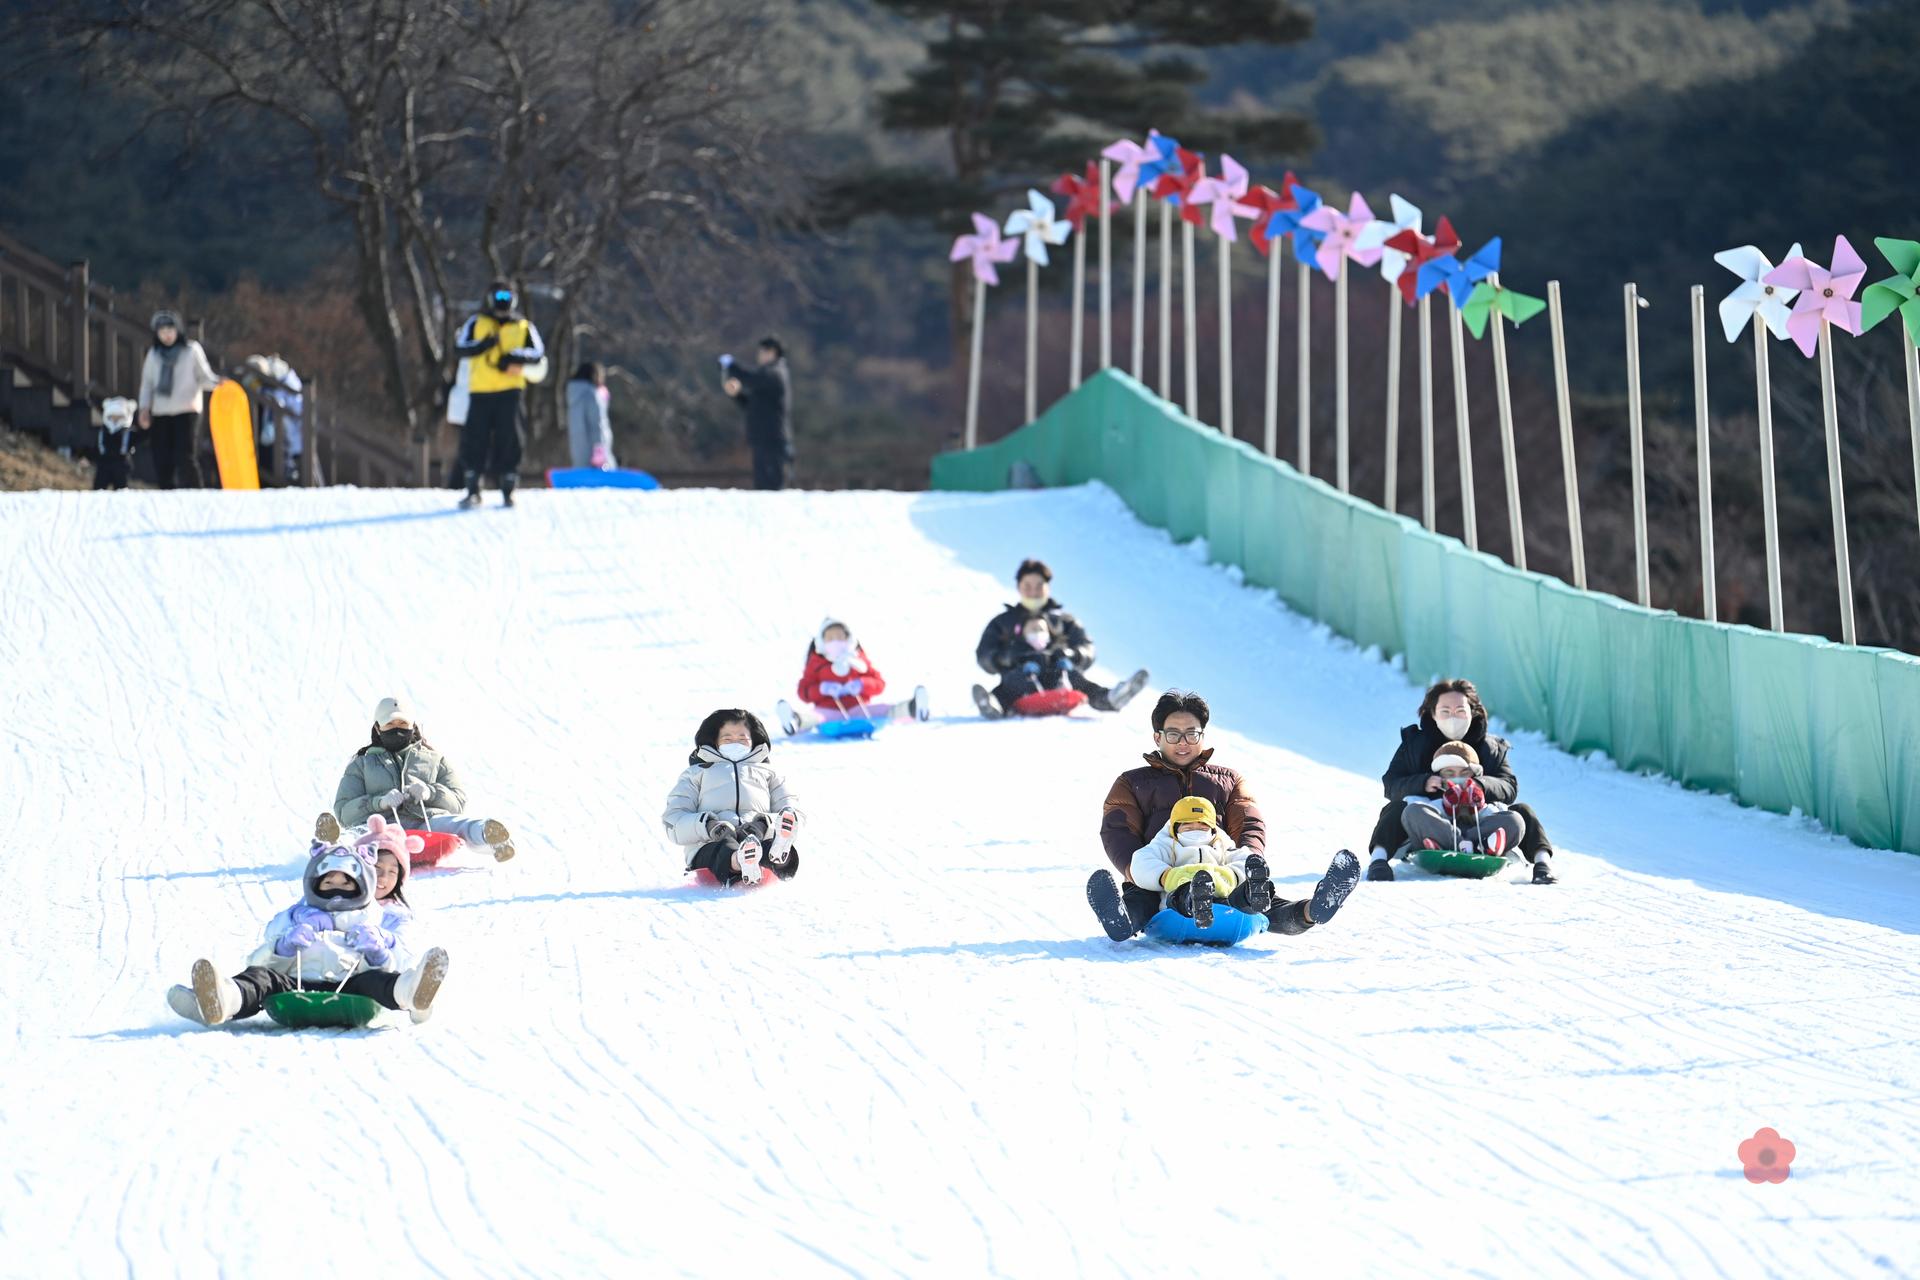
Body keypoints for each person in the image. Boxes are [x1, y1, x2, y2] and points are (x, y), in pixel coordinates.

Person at [1088, 691, 1360, 940]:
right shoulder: (1132, 782)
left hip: (1220, 874)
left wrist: (1249, 862)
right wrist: (1141, 872)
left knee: (1262, 900)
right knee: (1142, 904)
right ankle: (1121, 920)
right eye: (1173, 734)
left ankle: (1314, 909)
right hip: (1158, 876)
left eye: (1191, 734)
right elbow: (1118, 832)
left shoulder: (1227, 780)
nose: (1183, 743)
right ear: (1157, 737)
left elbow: (1249, 823)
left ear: (1203, 735)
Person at [164, 838, 450, 1027]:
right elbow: (263, 950)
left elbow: (394, 959)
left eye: (346, 883)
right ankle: (222, 999)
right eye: (328, 883)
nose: (337, 889)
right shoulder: (298, 914)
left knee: (379, 980)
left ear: (361, 887)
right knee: (261, 979)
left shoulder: (372, 919)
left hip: (353, 987)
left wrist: (378, 951)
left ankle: (413, 994)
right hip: (295, 984)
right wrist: (284, 945)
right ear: (314, 885)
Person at [1363, 677, 1559, 884]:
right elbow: (1392, 784)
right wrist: (1424, 783)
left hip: (1480, 819)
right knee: (1398, 808)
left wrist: (1480, 785)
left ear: (1472, 712)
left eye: (1460, 711)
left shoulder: (1490, 748)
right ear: (1433, 713)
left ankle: (1542, 864)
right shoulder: (1415, 745)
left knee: (1521, 813)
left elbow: (1509, 786)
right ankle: (1379, 861)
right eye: (1445, 711)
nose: (1453, 717)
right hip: (1433, 821)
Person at [325, 697, 516, 862]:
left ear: (412, 725)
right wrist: (379, 802)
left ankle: (490, 836)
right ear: (377, 727)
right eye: (390, 724)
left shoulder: (434, 759)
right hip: (382, 825)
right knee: (360, 833)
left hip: (427, 824)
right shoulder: (362, 765)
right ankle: (332, 847)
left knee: (458, 824)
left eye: (402, 724)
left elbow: (458, 802)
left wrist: (430, 792)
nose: (396, 729)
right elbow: (344, 812)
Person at [971, 558, 1146, 718]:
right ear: (1019, 587)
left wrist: (1073, 654)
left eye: (1039, 586)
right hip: (1021, 679)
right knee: (1010, 685)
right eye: (1027, 586)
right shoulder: (1003, 622)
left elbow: (1087, 646)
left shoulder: (1064, 621)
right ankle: (993, 705)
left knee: (1077, 679)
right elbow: (984, 653)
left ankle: (1109, 698)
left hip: (1060, 677)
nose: (1033, 591)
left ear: (1048, 587)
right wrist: (1005, 657)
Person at [662, 709, 802, 886]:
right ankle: (740, 859)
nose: (735, 743)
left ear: (754, 741)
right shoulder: (696, 774)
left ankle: (778, 854)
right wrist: (707, 826)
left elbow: (791, 813)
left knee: (767, 843)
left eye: (743, 739)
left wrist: (763, 825)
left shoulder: (769, 774)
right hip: (711, 842)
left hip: (757, 837)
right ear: (714, 741)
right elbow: (673, 819)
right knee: (723, 847)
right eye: (727, 739)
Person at [452, 281, 545, 508]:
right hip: (481, 391)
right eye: (498, 296)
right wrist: (483, 346)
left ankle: (508, 487)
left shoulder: (523, 326)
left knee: (510, 440)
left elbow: (538, 353)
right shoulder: (476, 322)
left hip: (510, 393)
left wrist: (513, 357)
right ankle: (473, 488)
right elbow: (460, 348)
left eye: (506, 296)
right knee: (475, 441)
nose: (502, 301)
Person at [775, 617, 929, 735]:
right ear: (822, 642)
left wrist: (862, 684)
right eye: (830, 637)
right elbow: (804, 691)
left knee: (883, 710)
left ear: (848, 638)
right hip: (829, 710)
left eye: (839, 636)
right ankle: (794, 721)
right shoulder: (816, 663)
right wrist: (822, 689)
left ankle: (913, 708)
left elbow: (879, 683)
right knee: (815, 717)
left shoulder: (857, 659)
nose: (835, 641)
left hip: (859, 709)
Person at [135, 309, 222, 489]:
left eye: (170, 330)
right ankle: (167, 491)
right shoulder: (154, 354)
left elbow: (204, 377)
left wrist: (219, 384)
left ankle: (195, 491)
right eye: (162, 331)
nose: (166, 335)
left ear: (178, 330)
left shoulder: (191, 351)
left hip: (187, 411)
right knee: (162, 456)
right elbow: (147, 384)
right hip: (161, 412)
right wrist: (144, 408)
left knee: (185, 456)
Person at [1397, 741, 1526, 857]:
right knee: (1412, 811)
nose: (1457, 778)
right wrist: (1445, 806)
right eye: (1449, 773)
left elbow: (1499, 814)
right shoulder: (1433, 797)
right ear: (1439, 777)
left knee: (1515, 820)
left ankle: (1480, 846)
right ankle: (1454, 845)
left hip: (1479, 836)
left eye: (1465, 773)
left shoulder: (1481, 793)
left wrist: (1480, 807)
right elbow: (1419, 813)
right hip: (1444, 835)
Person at [722, 337, 793, 491]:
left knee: (773, 487)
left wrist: (732, 366)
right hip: (762, 438)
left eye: (762, 351)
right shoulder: (766, 376)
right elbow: (751, 406)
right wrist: (737, 394)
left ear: (772, 353)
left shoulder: (775, 373)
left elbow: (750, 378)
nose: (759, 355)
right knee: (762, 486)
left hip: (773, 438)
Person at [239, 354, 304, 483]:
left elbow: (287, 403)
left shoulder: (281, 386)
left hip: (287, 434)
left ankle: (285, 478)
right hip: (285, 435)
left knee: (283, 457)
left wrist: (260, 390)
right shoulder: (279, 384)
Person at [566, 361, 615, 470]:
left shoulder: (574, 395)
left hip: (578, 450)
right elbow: (597, 424)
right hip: (596, 454)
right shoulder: (592, 395)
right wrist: (600, 449)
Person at [93, 396, 137, 490]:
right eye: (113, 417)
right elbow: (95, 447)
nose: (116, 420)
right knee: (98, 489)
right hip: (104, 464)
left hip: (122, 464)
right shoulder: (102, 431)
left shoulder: (129, 432)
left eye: (119, 417)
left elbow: (141, 437)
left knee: (123, 490)